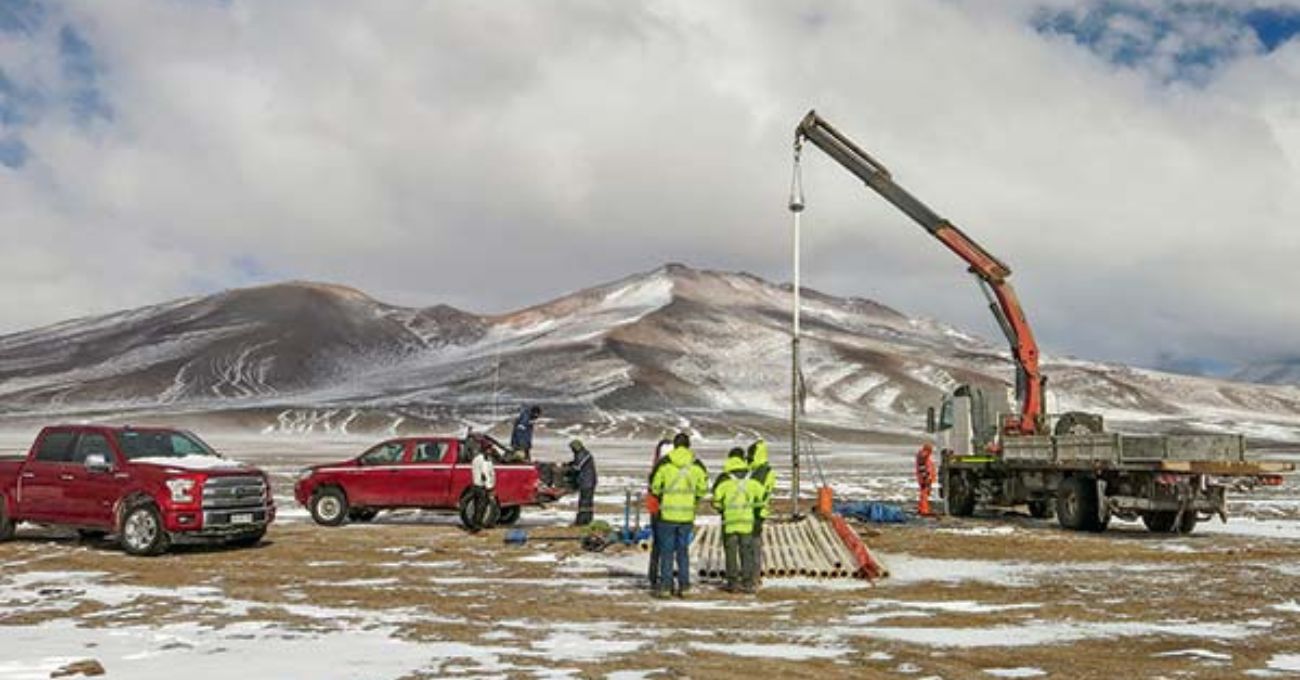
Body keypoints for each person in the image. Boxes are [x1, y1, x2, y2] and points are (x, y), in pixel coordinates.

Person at [649, 432, 708, 599]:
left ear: (674, 446)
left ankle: (666, 587)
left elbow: (655, 487)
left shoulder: (665, 465)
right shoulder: (696, 466)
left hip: (667, 515)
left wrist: (664, 497)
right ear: (689, 446)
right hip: (686, 516)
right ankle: (684, 586)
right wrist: (693, 499)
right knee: (682, 551)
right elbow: (703, 488)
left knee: (666, 551)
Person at [712, 448, 765, 593]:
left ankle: (733, 583)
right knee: (746, 552)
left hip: (729, 523)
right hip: (747, 523)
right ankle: (748, 584)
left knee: (731, 553)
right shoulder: (752, 481)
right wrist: (758, 517)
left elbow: (716, 501)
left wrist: (722, 509)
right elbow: (762, 499)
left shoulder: (724, 481)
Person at [746, 439, 777, 584]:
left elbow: (758, 495)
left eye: (750, 455)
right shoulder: (761, 471)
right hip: (757, 511)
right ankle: (753, 575)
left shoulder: (761, 473)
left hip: (756, 512)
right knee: (753, 545)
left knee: (752, 546)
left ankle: (753, 577)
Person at [646, 438, 672, 591]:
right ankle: (662, 576)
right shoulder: (666, 469)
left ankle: (655, 575)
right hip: (666, 511)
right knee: (668, 546)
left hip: (658, 510)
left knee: (658, 545)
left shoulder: (656, 469)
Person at [467, 437, 496, 532]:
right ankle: (476, 527)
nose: (490, 451)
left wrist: (492, 486)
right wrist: (487, 486)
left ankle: (479, 525)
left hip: (486, 486)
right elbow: (483, 474)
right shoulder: (479, 460)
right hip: (480, 487)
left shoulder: (488, 460)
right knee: (479, 507)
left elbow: (491, 473)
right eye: (488, 449)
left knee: (483, 507)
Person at [569, 439, 598, 526]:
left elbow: (578, 466)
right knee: (586, 501)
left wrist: (570, 468)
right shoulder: (584, 454)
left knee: (585, 501)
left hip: (587, 481)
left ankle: (583, 520)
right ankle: (586, 519)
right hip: (587, 481)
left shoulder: (583, 454)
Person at [915, 442, 936, 516]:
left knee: (924, 494)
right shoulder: (923, 457)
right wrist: (926, 478)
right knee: (924, 494)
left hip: (924, 478)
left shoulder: (923, 456)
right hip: (925, 478)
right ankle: (924, 510)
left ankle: (922, 508)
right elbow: (923, 468)